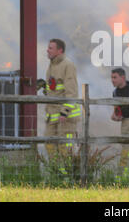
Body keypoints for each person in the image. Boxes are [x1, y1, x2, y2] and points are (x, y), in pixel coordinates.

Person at [44, 38, 81, 176]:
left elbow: (71, 92)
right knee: (49, 144)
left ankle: (68, 178)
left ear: (60, 50)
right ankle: (56, 175)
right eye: (48, 47)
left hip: (65, 117)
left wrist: (64, 112)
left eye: (50, 48)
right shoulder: (51, 65)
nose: (47, 50)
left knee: (65, 148)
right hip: (52, 115)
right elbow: (55, 89)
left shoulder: (67, 65)